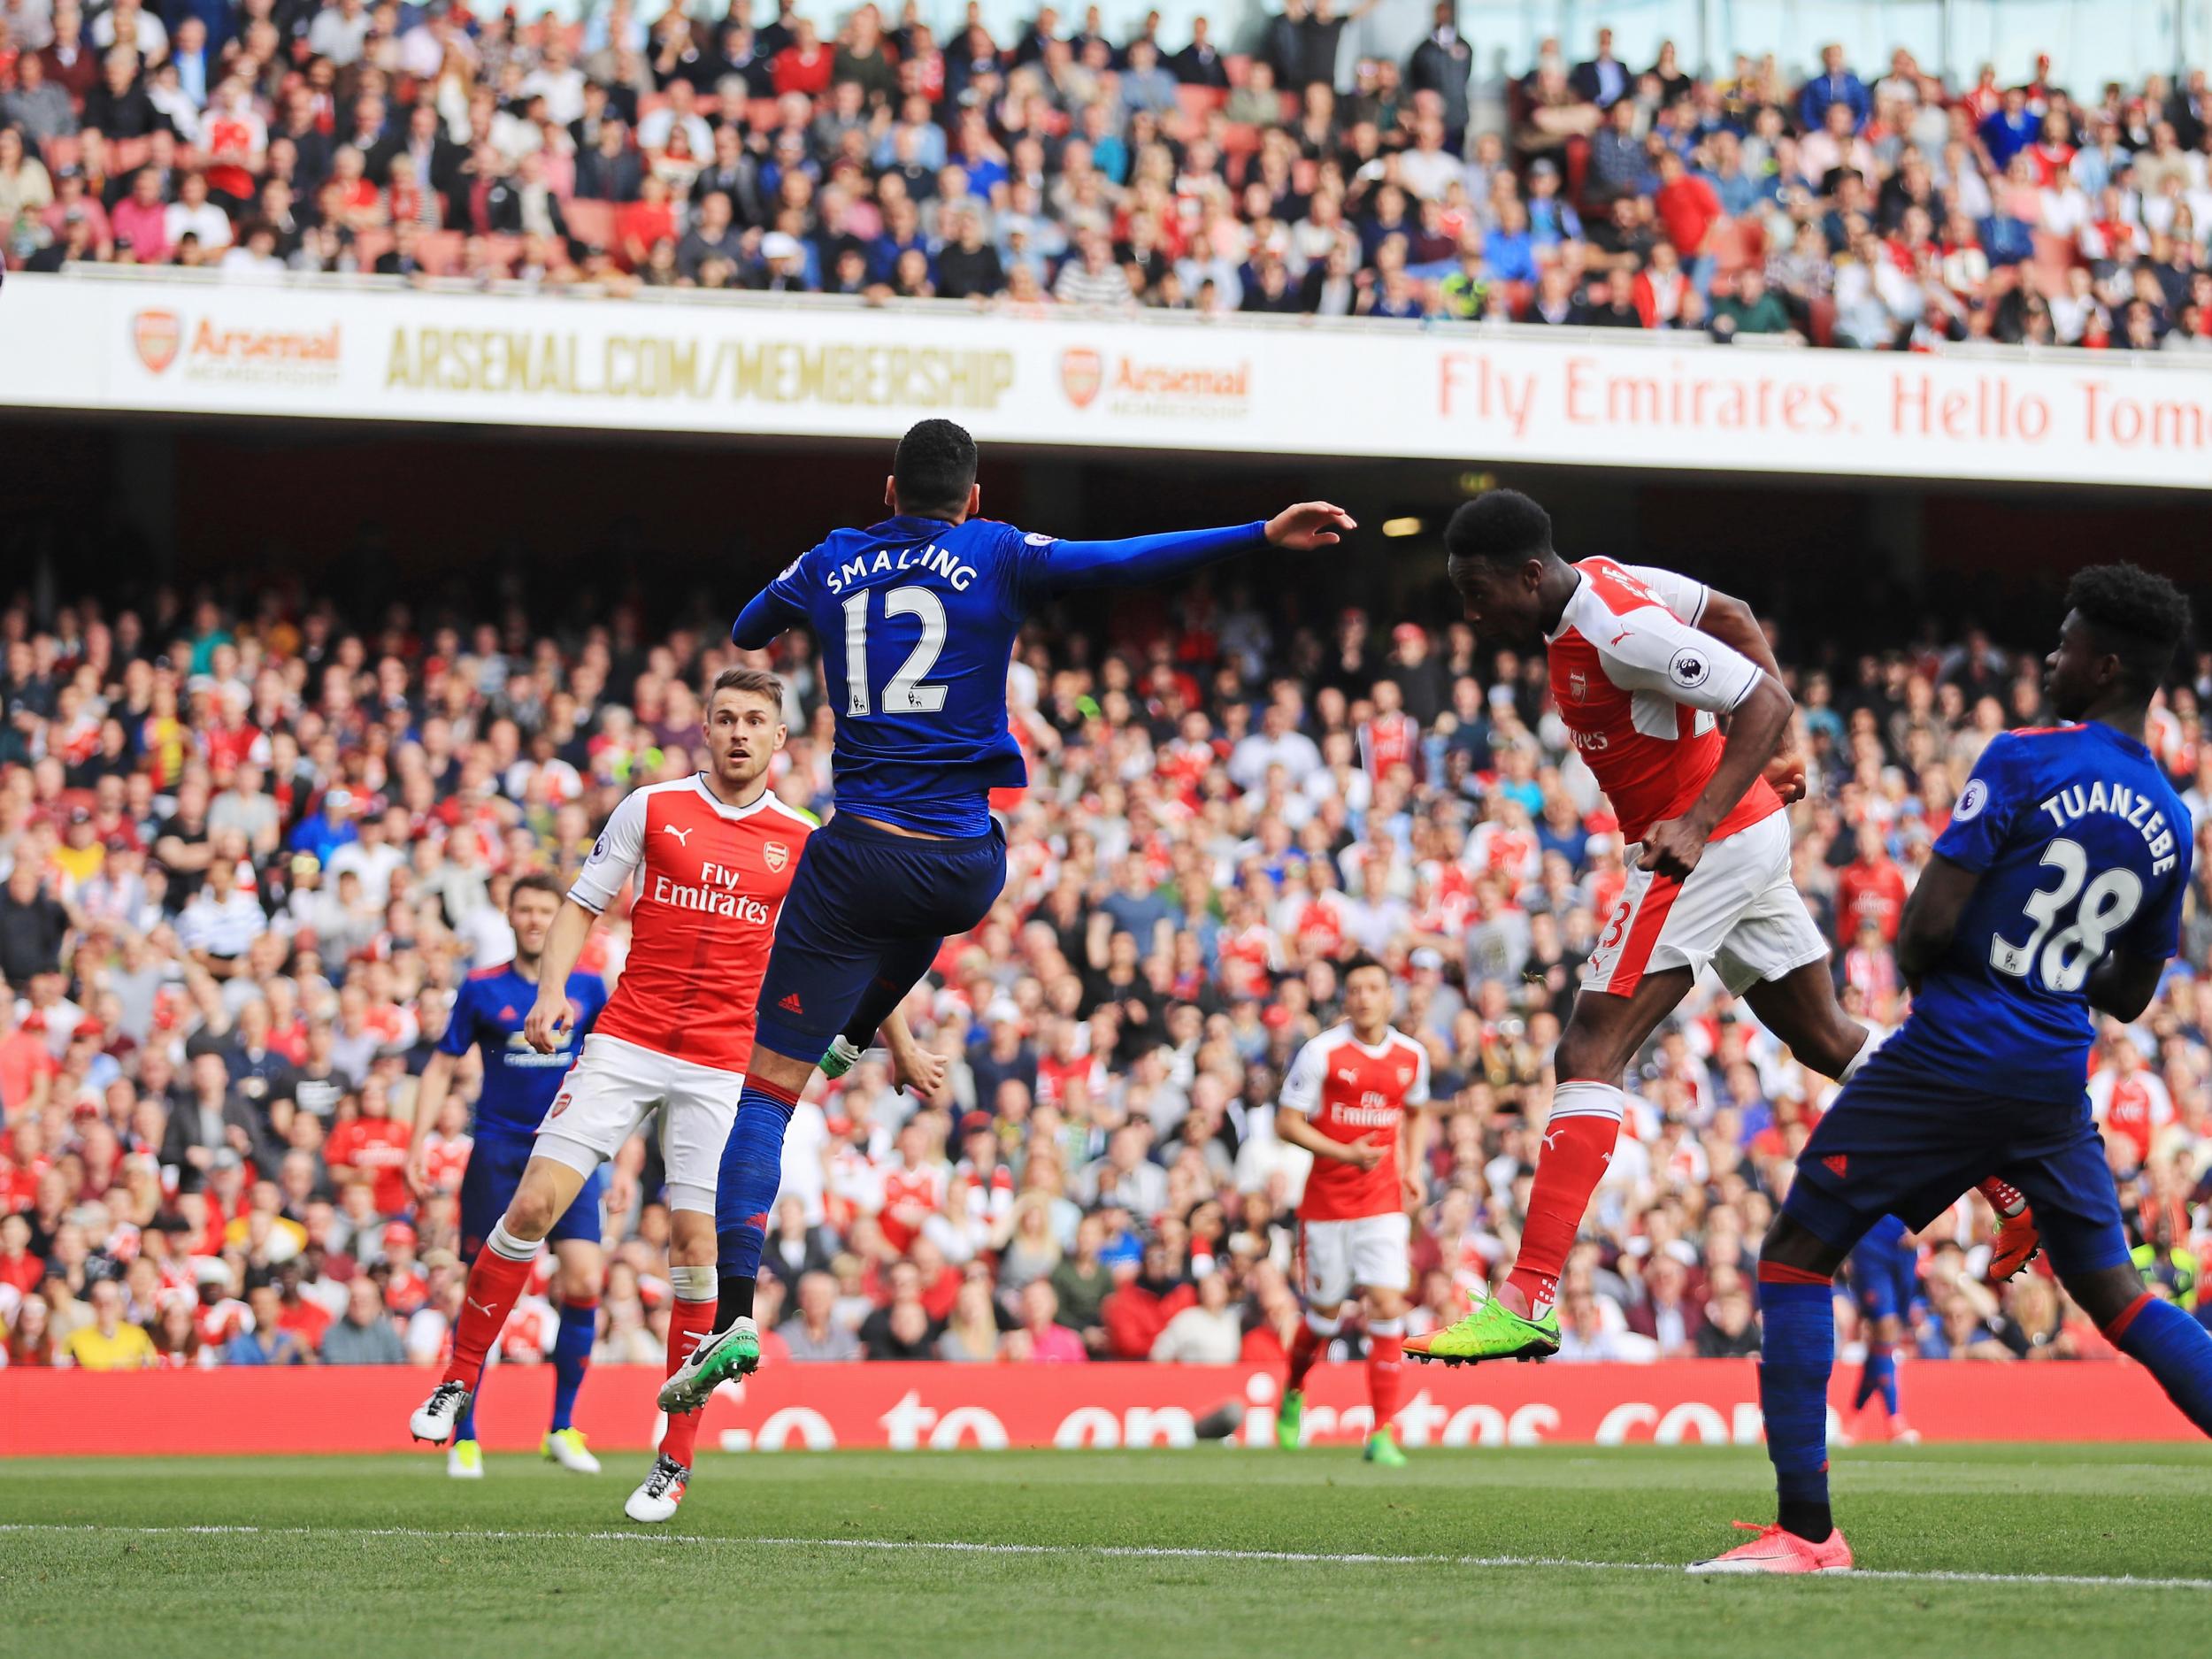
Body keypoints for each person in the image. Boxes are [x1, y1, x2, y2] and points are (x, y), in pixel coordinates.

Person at [658, 419, 1353, 1408]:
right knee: (913, 925)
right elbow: (1123, 563)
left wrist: (816, 575)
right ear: (973, 498)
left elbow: (745, 629)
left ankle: (732, 1315)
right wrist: (1256, 533)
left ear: (890, 489)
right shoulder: (997, 550)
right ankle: (856, 1031)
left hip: (857, 853)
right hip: (966, 865)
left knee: (765, 1098)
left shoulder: (836, 558)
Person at [1409, 490, 2032, 1365]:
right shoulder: (1609, 590)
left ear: (1528, 573)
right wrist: (1767, 770)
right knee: (1826, 1038)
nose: (1471, 612)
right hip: (1737, 829)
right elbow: (1732, 614)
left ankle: (1528, 1296)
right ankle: (2001, 1167)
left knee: (1588, 1049)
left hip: (1712, 842)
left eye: (1478, 591)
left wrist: (1699, 819)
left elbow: (1765, 695)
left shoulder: (1618, 627)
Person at [1692, 564, 2208, 1573]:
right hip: (2054, 1070)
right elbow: (2134, 994)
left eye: (2063, 645)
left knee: (1797, 1252)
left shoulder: (2022, 758)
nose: (2050, 660)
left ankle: (1806, 1534)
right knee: (2120, 1298)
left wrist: (1988, 953)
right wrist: (2048, 956)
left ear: (2104, 663)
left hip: (1955, 1046)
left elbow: (1923, 932)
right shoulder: (2170, 816)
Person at [408, 668, 839, 1526]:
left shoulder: (801, 841)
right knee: (532, 1204)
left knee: (693, 1251)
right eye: (726, 719)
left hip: (723, 1062)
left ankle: (672, 1462)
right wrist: (548, 992)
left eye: (757, 720)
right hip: (627, 1038)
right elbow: (580, 906)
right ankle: (459, 1378)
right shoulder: (652, 809)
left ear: (780, 740)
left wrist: (895, 1039)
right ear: (706, 731)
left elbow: (845, 949)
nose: (740, 733)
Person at [404, 873, 612, 1479]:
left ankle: (563, 1426)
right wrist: (418, 1140)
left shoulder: (590, 986)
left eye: (546, 909)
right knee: (485, 1289)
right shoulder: (480, 987)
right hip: (498, 1152)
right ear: (509, 914)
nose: (533, 919)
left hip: (570, 1151)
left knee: (584, 1279)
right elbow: (442, 1065)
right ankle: (465, 1433)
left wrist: (618, 1158)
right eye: (523, 909)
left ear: (561, 915)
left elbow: (612, 1076)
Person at [1271, 954, 1429, 1466]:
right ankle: (1294, 1389)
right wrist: (1346, 1154)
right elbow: (1287, 1123)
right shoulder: (1322, 1053)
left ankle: (1382, 1432)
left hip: (1383, 1203)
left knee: (1388, 1304)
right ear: (1346, 997)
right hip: (1326, 1206)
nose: (1364, 997)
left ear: (1389, 996)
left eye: (1373, 988)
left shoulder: (1411, 1056)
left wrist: (1411, 1167)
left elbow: (1418, 1110)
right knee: (1324, 1317)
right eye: (1355, 988)